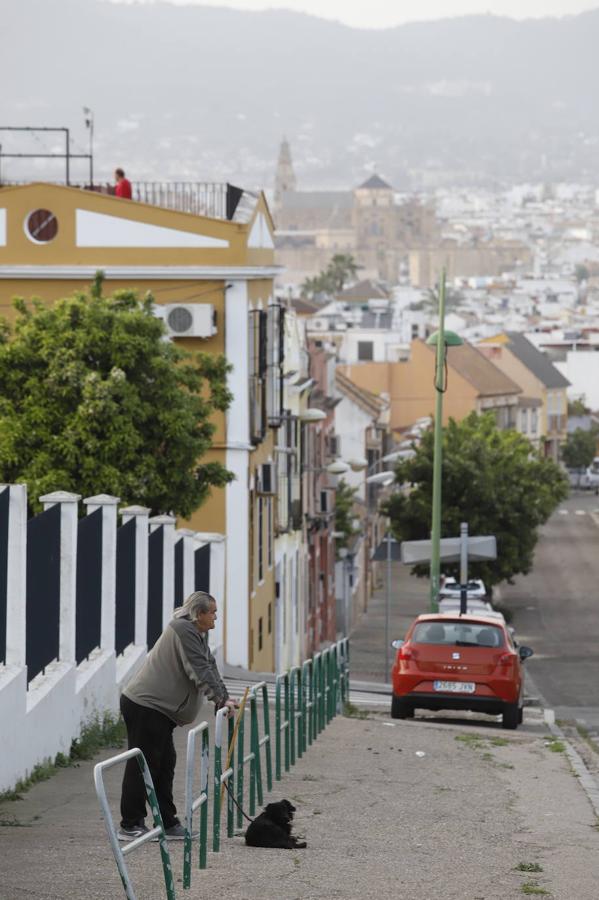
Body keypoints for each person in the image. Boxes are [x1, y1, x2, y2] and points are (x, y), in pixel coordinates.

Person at [118, 591, 236, 841]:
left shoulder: (197, 634)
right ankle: (130, 824)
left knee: (165, 765)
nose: (216, 617)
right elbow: (198, 669)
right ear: (199, 613)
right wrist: (220, 699)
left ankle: (167, 822)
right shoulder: (183, 630)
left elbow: (210, 665)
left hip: (160, 711)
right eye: (212, 612)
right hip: (146, 706)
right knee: (144, 764)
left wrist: (223, 697)